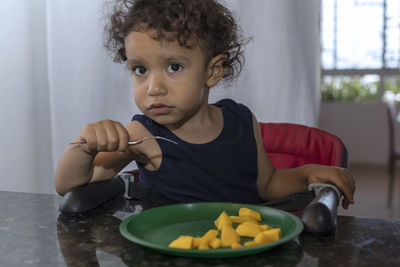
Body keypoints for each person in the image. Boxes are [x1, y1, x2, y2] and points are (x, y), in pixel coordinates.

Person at [55, 0, 355, 209]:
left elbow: (268, 185)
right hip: (167, 256)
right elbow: (68, 186)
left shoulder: (241, 120)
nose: (153, 87)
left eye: (173, 67)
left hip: (241, 251)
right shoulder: (140, 135)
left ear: (213, 71)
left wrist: (307, 173)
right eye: (140, 69)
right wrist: (83, 147)